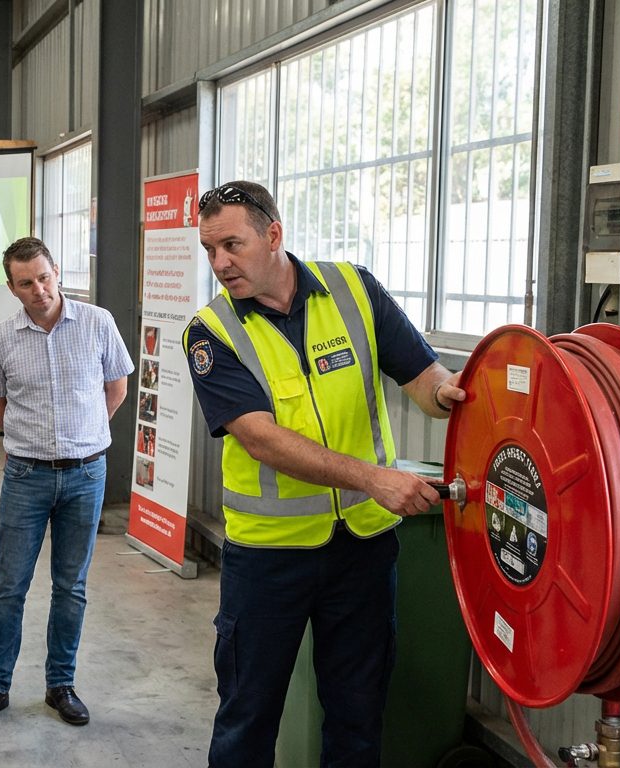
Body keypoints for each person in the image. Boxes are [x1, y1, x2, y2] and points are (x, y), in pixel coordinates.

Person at [184, 181, 464, 768]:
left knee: (358, 712)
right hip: (269, 555)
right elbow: (260, 438)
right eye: (210, 249)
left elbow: (424, 379)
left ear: (273, 234)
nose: (220, 263)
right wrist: (373, 479)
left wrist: (452, 393)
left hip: (362, 547)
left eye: (232, 245)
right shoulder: (211, 331)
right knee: (247, 716)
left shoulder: (354, 291)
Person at [0, 236, 133, 728]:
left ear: (56, 271)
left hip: (86, 473)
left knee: (71, 586)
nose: (38, 290)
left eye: (43, 277)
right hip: (26, 476)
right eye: (25, 283)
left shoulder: (98, 322)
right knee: (8, 586)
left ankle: (61, 685)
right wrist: (30, 437)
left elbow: (117, 386)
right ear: (11, 287)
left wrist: (86, 434)